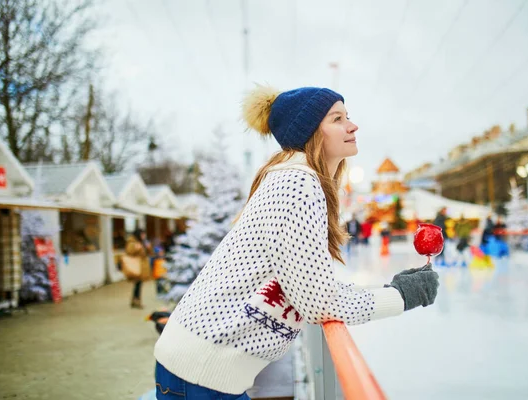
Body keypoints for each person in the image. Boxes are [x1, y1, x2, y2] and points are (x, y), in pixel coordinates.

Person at [153, 85, 440, 399]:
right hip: (201, 375)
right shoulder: (298, 182)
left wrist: (394, 288)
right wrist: (400, 296)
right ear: (310, 132)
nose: (352, 125)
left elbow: (307, 286)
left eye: (348, 116)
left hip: (201, 369)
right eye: (337, 118)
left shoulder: (293, 178)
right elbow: (320, 302)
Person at [125, 228, 152, 309]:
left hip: (141, 267)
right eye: (142, 234)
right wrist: (136, 248)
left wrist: (148, 247)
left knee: (138, 284)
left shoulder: (142, 242)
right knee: (138, 284)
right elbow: (129, 252)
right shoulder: (132, 242)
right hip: (137, 266)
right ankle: (137, 301)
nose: (144, 236)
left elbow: (149, 252)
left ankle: (135, 300)